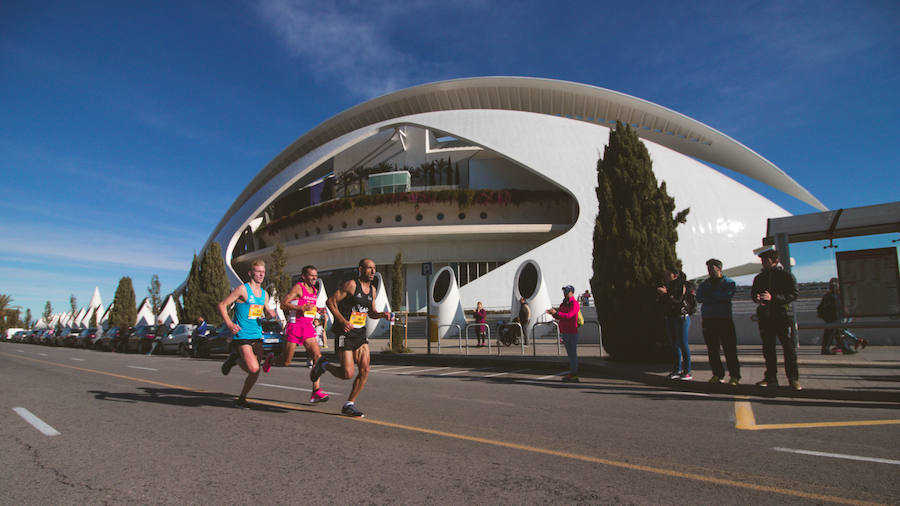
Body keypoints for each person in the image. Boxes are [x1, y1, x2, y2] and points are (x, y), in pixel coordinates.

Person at [311, 258, 391, 418]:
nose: (373, 271)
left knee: (365, 369)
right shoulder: (352, 285)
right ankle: (324, 364)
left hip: (360, 334)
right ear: (361, 269)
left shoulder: (373, 290)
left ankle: (349, 404)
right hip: (344, 333)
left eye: (374, 268)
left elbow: (371, 312)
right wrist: (342, 320)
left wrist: (382, 314)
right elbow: (330, 302)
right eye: (369, 268)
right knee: (347, 373)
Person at [217, 260, 278, 409]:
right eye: (258, 272)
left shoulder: (264, 294)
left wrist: (270, 314)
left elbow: (265, 312)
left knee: (255, 371)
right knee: (253, 368)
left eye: (263, 272)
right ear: (251, 273)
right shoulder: (242, 290)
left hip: (257, 334)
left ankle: (242, 398)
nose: (261, 274)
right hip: (242, 334)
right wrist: (230, 324)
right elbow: (222, 305)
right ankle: (235, 358)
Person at [752, 246, 801, 390]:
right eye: (762, 260)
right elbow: (754, 293)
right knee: (768, 349)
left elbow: (794, 294)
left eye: (766, 260)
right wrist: (756, 298)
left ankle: (793, 379)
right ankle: (771, 377)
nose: (763, 263)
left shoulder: (786, 276)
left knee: (789, 349)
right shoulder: (759, 278)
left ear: (775, 261)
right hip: (765, 316)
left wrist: (773, 298)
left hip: (782, 315)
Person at [280, 265, 329, 403]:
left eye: (316, 275)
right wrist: (300, 307)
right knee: (286, 361)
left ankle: (316, 391)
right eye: (311, 275)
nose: (314, 278)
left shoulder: (314, 290)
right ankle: (271, 359)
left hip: (307, 326)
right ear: (304, 276)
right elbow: (283, 304)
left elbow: (309, 307)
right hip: (295, 326)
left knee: (317, 357)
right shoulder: (298, 287)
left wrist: (317, 310)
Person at [696, 258, 740, 385]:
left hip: (724, 319)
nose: (709, 271)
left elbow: (726, 296)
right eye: (708, 268)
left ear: (719, 268)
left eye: (712, 268)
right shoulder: (704, 284)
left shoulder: (729, 283)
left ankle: (735, 376)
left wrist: (710, 296)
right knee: (712, 349)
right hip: (709, 319)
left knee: (729, 348)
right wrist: (715, 296)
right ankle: (717, 374)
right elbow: (699, 298)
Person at [658, 267, 692, 380]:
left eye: (669, 274)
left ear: (675, 275)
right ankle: (676, 369)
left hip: (681, 317)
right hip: (670, 317)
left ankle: (687, 371)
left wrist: (666, 294)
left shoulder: (681, 285)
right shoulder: (667, 285)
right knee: (674, 344)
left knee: (683, 343)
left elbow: (678, 299)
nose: (666, 276)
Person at [547, 285, 580, 382]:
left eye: (567, 291)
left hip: (572, 332)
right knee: (570, 354)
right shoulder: (563, 304)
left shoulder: (574, 303)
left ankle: (574, 374)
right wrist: (553, 313)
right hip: (564, 332)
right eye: (564, 291)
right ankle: (572, 373)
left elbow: (570, 316)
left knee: (573, 354)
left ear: (572, 292)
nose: (565, 293)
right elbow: (559, 316)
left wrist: (556, 313)